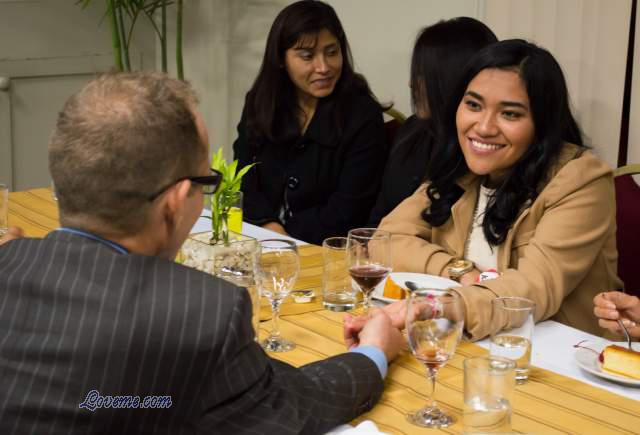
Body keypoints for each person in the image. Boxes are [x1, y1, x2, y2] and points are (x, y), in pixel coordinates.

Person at [0, 73, 403, 435]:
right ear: (174, 204)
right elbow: (287, 409)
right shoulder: (203, 312)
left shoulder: (8, 264)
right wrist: (374, 352)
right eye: (205, 182)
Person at [378, 39, 622, 340]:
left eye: (510, 114)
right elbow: (385, 241)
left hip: (558, 359)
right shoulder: (465, 167)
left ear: (542, 123)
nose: (483, 127)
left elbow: (533, 288)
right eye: (473, 105)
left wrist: (444, 307)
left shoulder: (582, 179)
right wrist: (458, 271)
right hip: (475, 343)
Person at [233, 0, 387, 245]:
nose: (323, 67)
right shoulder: (260, 101)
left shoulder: (362, 115)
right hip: (259, 236)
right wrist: (268, 227)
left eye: (332, 52)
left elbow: (350, 207)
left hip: (323, 248)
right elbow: (241, 176)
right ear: (281, 59)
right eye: (307, 56)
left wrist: (283, 238)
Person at [368, 17, 497, 226]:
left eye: (423, 76)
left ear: (451, 79)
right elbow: (380, 216)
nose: (411, 84)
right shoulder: (411, 131)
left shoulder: (482, 150)